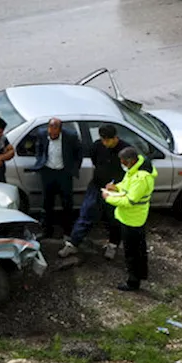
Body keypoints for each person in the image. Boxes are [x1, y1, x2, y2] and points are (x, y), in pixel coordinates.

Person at [60, 125, 129, 261]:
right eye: (103, 140)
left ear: (115, 138)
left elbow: (130, 172)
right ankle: (73, 243)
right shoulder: (97, 146)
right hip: (97, 186)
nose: (105, 143)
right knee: (86, 213)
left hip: (116, 190)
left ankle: (113, 245)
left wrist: (117, 185)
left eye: (108, 141)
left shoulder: (125, 150)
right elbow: (95, 160)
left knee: (114, 219)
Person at [102, 147, 157, 292]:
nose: (122, 165)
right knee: (134, 250)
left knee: (133, 252)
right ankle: (138, 275)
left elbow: (130, 201)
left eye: (123, 162)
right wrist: (116, 188)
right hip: (128, 217)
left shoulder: (141, 178)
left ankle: (134, 281)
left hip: (133, 219)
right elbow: (126, 186)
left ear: (131, 161)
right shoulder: (133, 171)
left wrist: (109, 198)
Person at [26, 118, 83, 240]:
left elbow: (79, 153)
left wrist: (73, 168)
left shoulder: (70, 136)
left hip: (64, 173)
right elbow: (39, 149)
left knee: (67, 204)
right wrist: (40, 160)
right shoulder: (42, 134)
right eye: (50, 133)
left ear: (60, 130)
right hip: (48, 172)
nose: (52, 135)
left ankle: (67, 232)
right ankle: (47, 231)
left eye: (55, 134)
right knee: (47, 203)